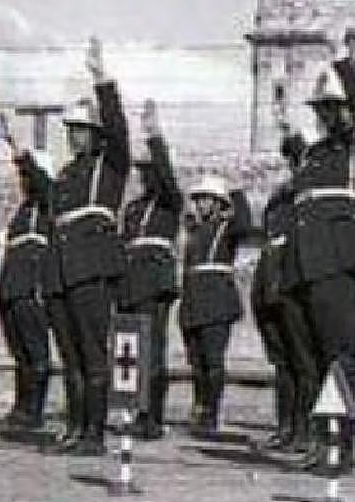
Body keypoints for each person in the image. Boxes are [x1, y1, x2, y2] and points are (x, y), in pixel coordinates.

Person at [282, 45, 355, 471]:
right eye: (323, 109)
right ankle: (315, 440)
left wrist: (344, 59)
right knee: (306, 360)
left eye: (336, 107)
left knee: (339, 358)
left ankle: (338, 446)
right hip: (303, 265)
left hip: (340, 262)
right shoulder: (314, 155)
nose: (330, 116)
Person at [50, 38, 130, 455]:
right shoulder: (66, 174)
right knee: (70, 354)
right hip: (62, 269)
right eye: (72, 130)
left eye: (82, 130)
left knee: (93, 351)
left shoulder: (110, 164)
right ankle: (75, 427)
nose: (76, 137)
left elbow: (119, 129)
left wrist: (104, 82)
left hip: (92, 265)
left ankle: (95, 434)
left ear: (97, 134)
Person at [118, 100, 182, 440]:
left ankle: (152, 416)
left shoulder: (170, 202)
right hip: (130, 282)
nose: (147, 177)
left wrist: (154, 136)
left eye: (151, 171)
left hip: (154, 281)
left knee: (153, 352)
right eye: (143, 172)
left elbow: (169, 179)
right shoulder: (132, 209)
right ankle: (131, 411)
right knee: (130, 351)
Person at [251, 128, 316, 452]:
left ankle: (304, 431)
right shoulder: (278, 201)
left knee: (303, 363)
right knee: (282, 365)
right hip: (272, 289)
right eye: (292, 160)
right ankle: (286, 427)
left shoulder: (310, 198)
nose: (295, 167)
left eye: (299, 159)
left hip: (295, 289)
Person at [179, 174, 251, 439]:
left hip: (217, 302)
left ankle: (212, 412)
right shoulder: (195, 230)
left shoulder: (227, 227)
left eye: (206, 199)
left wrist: (236, 191)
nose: (201, 205)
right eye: (198, 200)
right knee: (196, 361)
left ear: (219, 202)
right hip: (194, 302)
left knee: (213, 360)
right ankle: (200, 406)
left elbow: (244, 223)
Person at [0, 121, 55, 432]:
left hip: (32, 286)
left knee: (35, 352)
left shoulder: (49, 204)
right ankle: (22, 408)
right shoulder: (23, 210)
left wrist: (18, 150)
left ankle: (33, 411)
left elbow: (42, 184)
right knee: (19, 351)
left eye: (28, 176)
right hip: (12, 286)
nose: (24, 182)